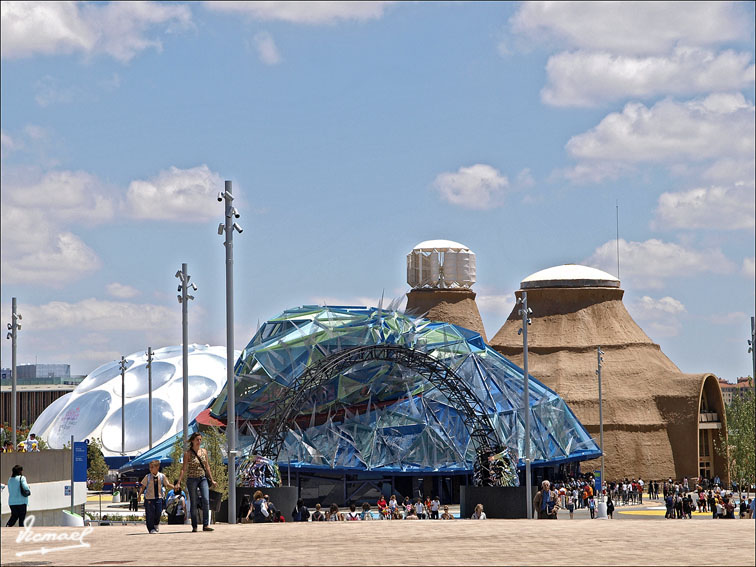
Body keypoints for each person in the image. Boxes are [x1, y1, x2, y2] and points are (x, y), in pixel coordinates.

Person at [176, 432, 217, 532]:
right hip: (192, 479)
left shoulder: (204, 452)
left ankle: (205, 525)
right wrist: (179, 481)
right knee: (194, 502)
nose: (199, 441)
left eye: (200, 440)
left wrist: (212, 480)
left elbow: (207, 466)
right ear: (193, 441)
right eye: (197, 439)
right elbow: (183, 469)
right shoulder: (188, 454)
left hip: (202, 478)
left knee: (206, 500)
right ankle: (194, 525)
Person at [138, 460, 173, 534]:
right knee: (150, 514)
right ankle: (151, 528)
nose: (150, 469)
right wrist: (139, 495)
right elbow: (143, 486)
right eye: (150, 467)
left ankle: (156, 524)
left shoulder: (162, 476)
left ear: (157, 467)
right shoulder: (147, 477)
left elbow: (167, 484)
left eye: (152, 467)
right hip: (149, 498)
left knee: (158, 512)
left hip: (159, 497)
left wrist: (174, 487)